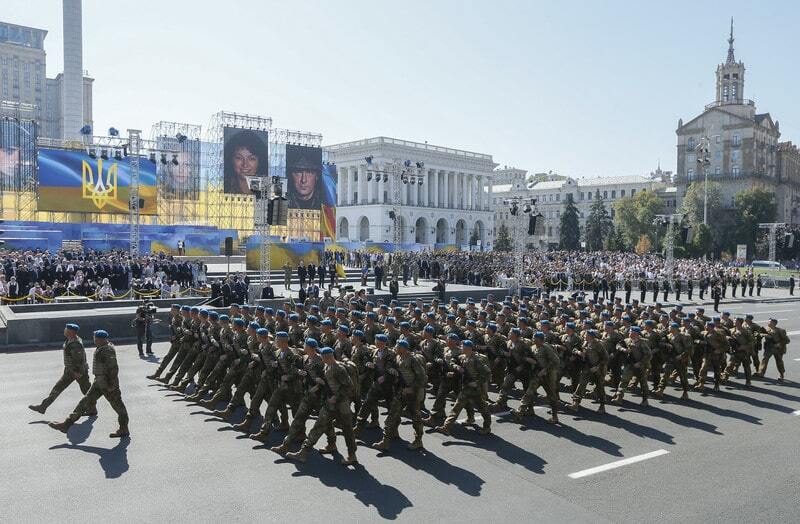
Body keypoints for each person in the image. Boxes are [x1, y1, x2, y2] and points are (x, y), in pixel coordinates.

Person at [48, 330, 130, 438]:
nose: (94, 339)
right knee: (85, 401)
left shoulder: (107, 350)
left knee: (119, 407)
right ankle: (67, 424)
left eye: (95, 337)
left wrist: (112, 385)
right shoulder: (102, 347)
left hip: (108, 384)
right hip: (99, 382)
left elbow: (113, 369)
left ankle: (124, 429)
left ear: (100, 339)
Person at [286, 347, 358, 465]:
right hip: (329, 404)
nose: (321, 359)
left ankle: (352, 455)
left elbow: (349, 386)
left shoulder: (339, 369)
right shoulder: (327, 366)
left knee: (347, 430)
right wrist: (321, 383)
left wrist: (337, 397)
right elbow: (328, 383)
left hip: (341, 405)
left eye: (323, 357)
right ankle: (304, 452)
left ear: (328, 357)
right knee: (318, 426)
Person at [29, 323, 96, 416]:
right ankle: (43, 406)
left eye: (66, 329)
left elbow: (80, 360)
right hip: (70, 371)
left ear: (71, 332)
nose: (64, 330)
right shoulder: (70, 340)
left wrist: (79, 372)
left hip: (79, 372)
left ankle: (92, 409)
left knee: (86, 391)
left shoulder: (76, 344)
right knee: (57, 388)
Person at [224, 129, 268, 194]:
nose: (245, 165)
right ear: (230, 160)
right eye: (239, 158)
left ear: (260, 161)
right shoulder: (222, 187)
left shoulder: (271, 188)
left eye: (251, 159)